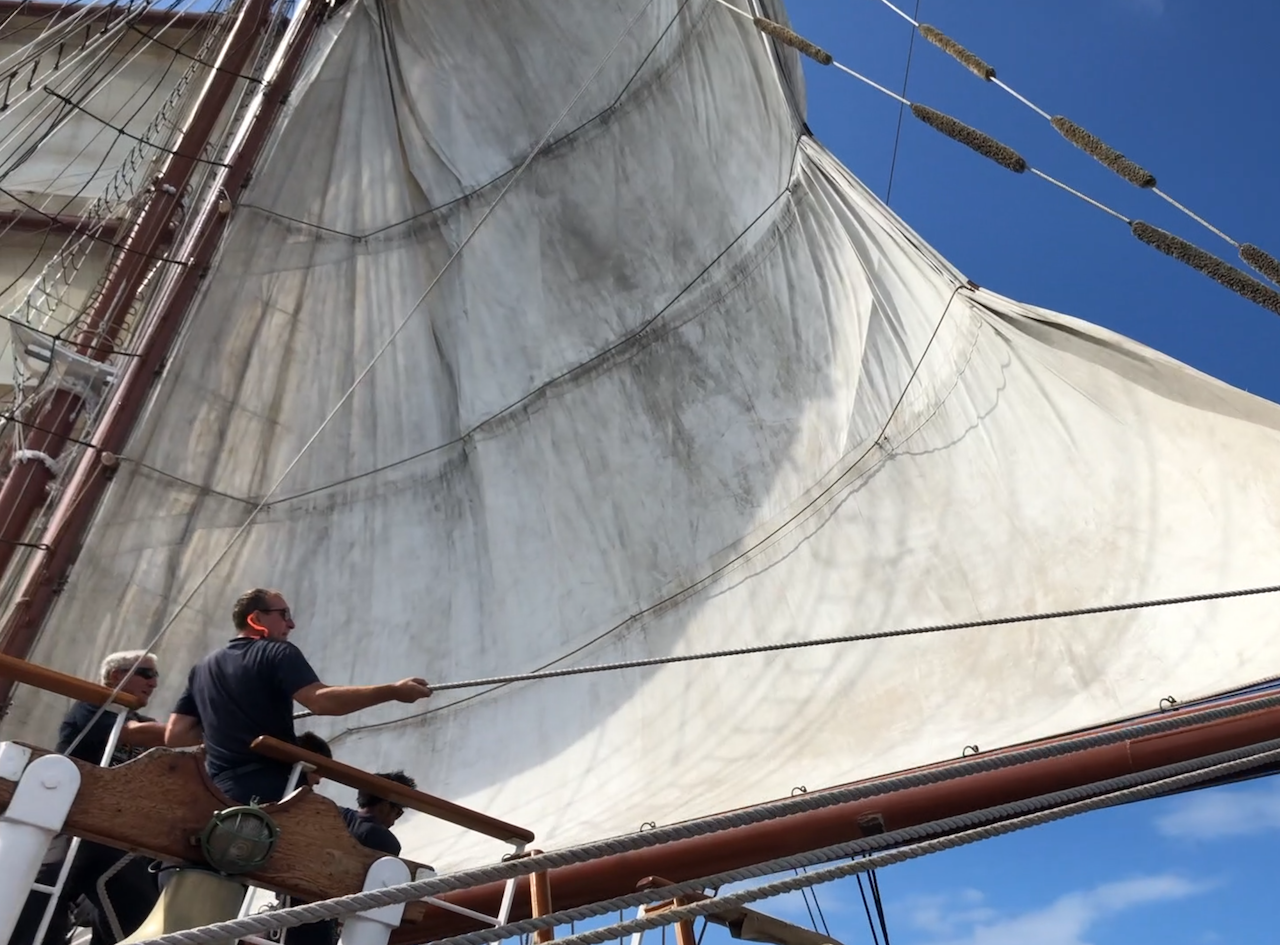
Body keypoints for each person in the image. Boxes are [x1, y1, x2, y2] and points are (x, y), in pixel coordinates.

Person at [164, 587, 432, 805]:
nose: (291, 624)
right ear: (256, 619)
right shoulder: (277, 652)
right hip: (272, 789)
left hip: (217, 792)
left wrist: (226, 728)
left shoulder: (201, 668)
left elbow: (175, 734)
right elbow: (320, 701)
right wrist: (393, 691)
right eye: (284, 614)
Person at [10, 651, 167, 945]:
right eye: (146, 674)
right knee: (48, 879)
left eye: (156, 676)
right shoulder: (93, 706)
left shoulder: (145, 723)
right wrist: (191, 731)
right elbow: (134, 734)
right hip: (70, 821)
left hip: (114, 830)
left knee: (135, 894)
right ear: (116, 676)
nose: (154, 683)